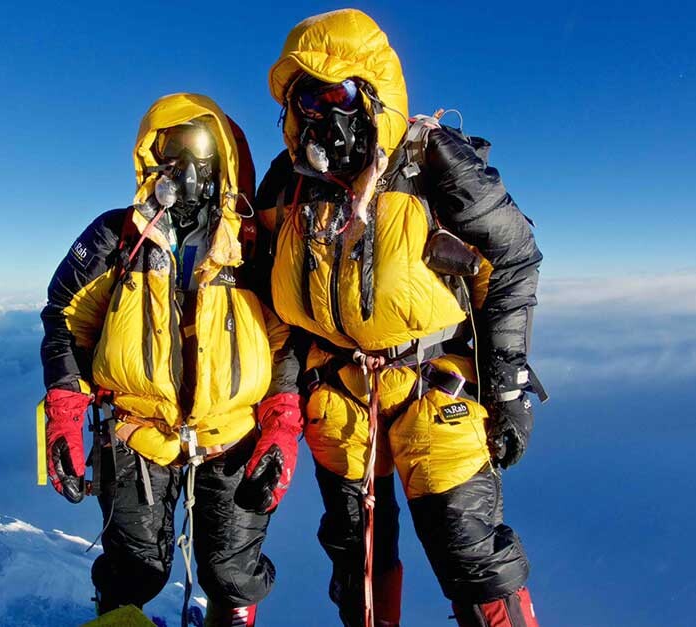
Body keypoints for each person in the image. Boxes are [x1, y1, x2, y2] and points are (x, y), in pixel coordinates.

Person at [254, 9, 545, 627]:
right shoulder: (288, 185)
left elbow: (513, 256)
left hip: (432, 387)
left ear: (373, 92)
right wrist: (282, 399)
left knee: (471, 555)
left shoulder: (432, 159)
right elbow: (269, 303)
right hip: (336, 396)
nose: (317, 111)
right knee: (356, 559)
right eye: (302, 96)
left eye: (334, 90)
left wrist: (508, 382)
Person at [39, 93, 301, 627]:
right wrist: (64, 414)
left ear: (220, 158)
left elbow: (288, 341)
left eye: (195, 147)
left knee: (231, 573)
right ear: (148, 158)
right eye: (166, 148)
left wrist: (281, 427)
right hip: (137, 432)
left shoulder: (253, 244)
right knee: (134, 569)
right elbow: (65, 318)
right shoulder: (117, 237)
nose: (180, 164)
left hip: (232, 433)